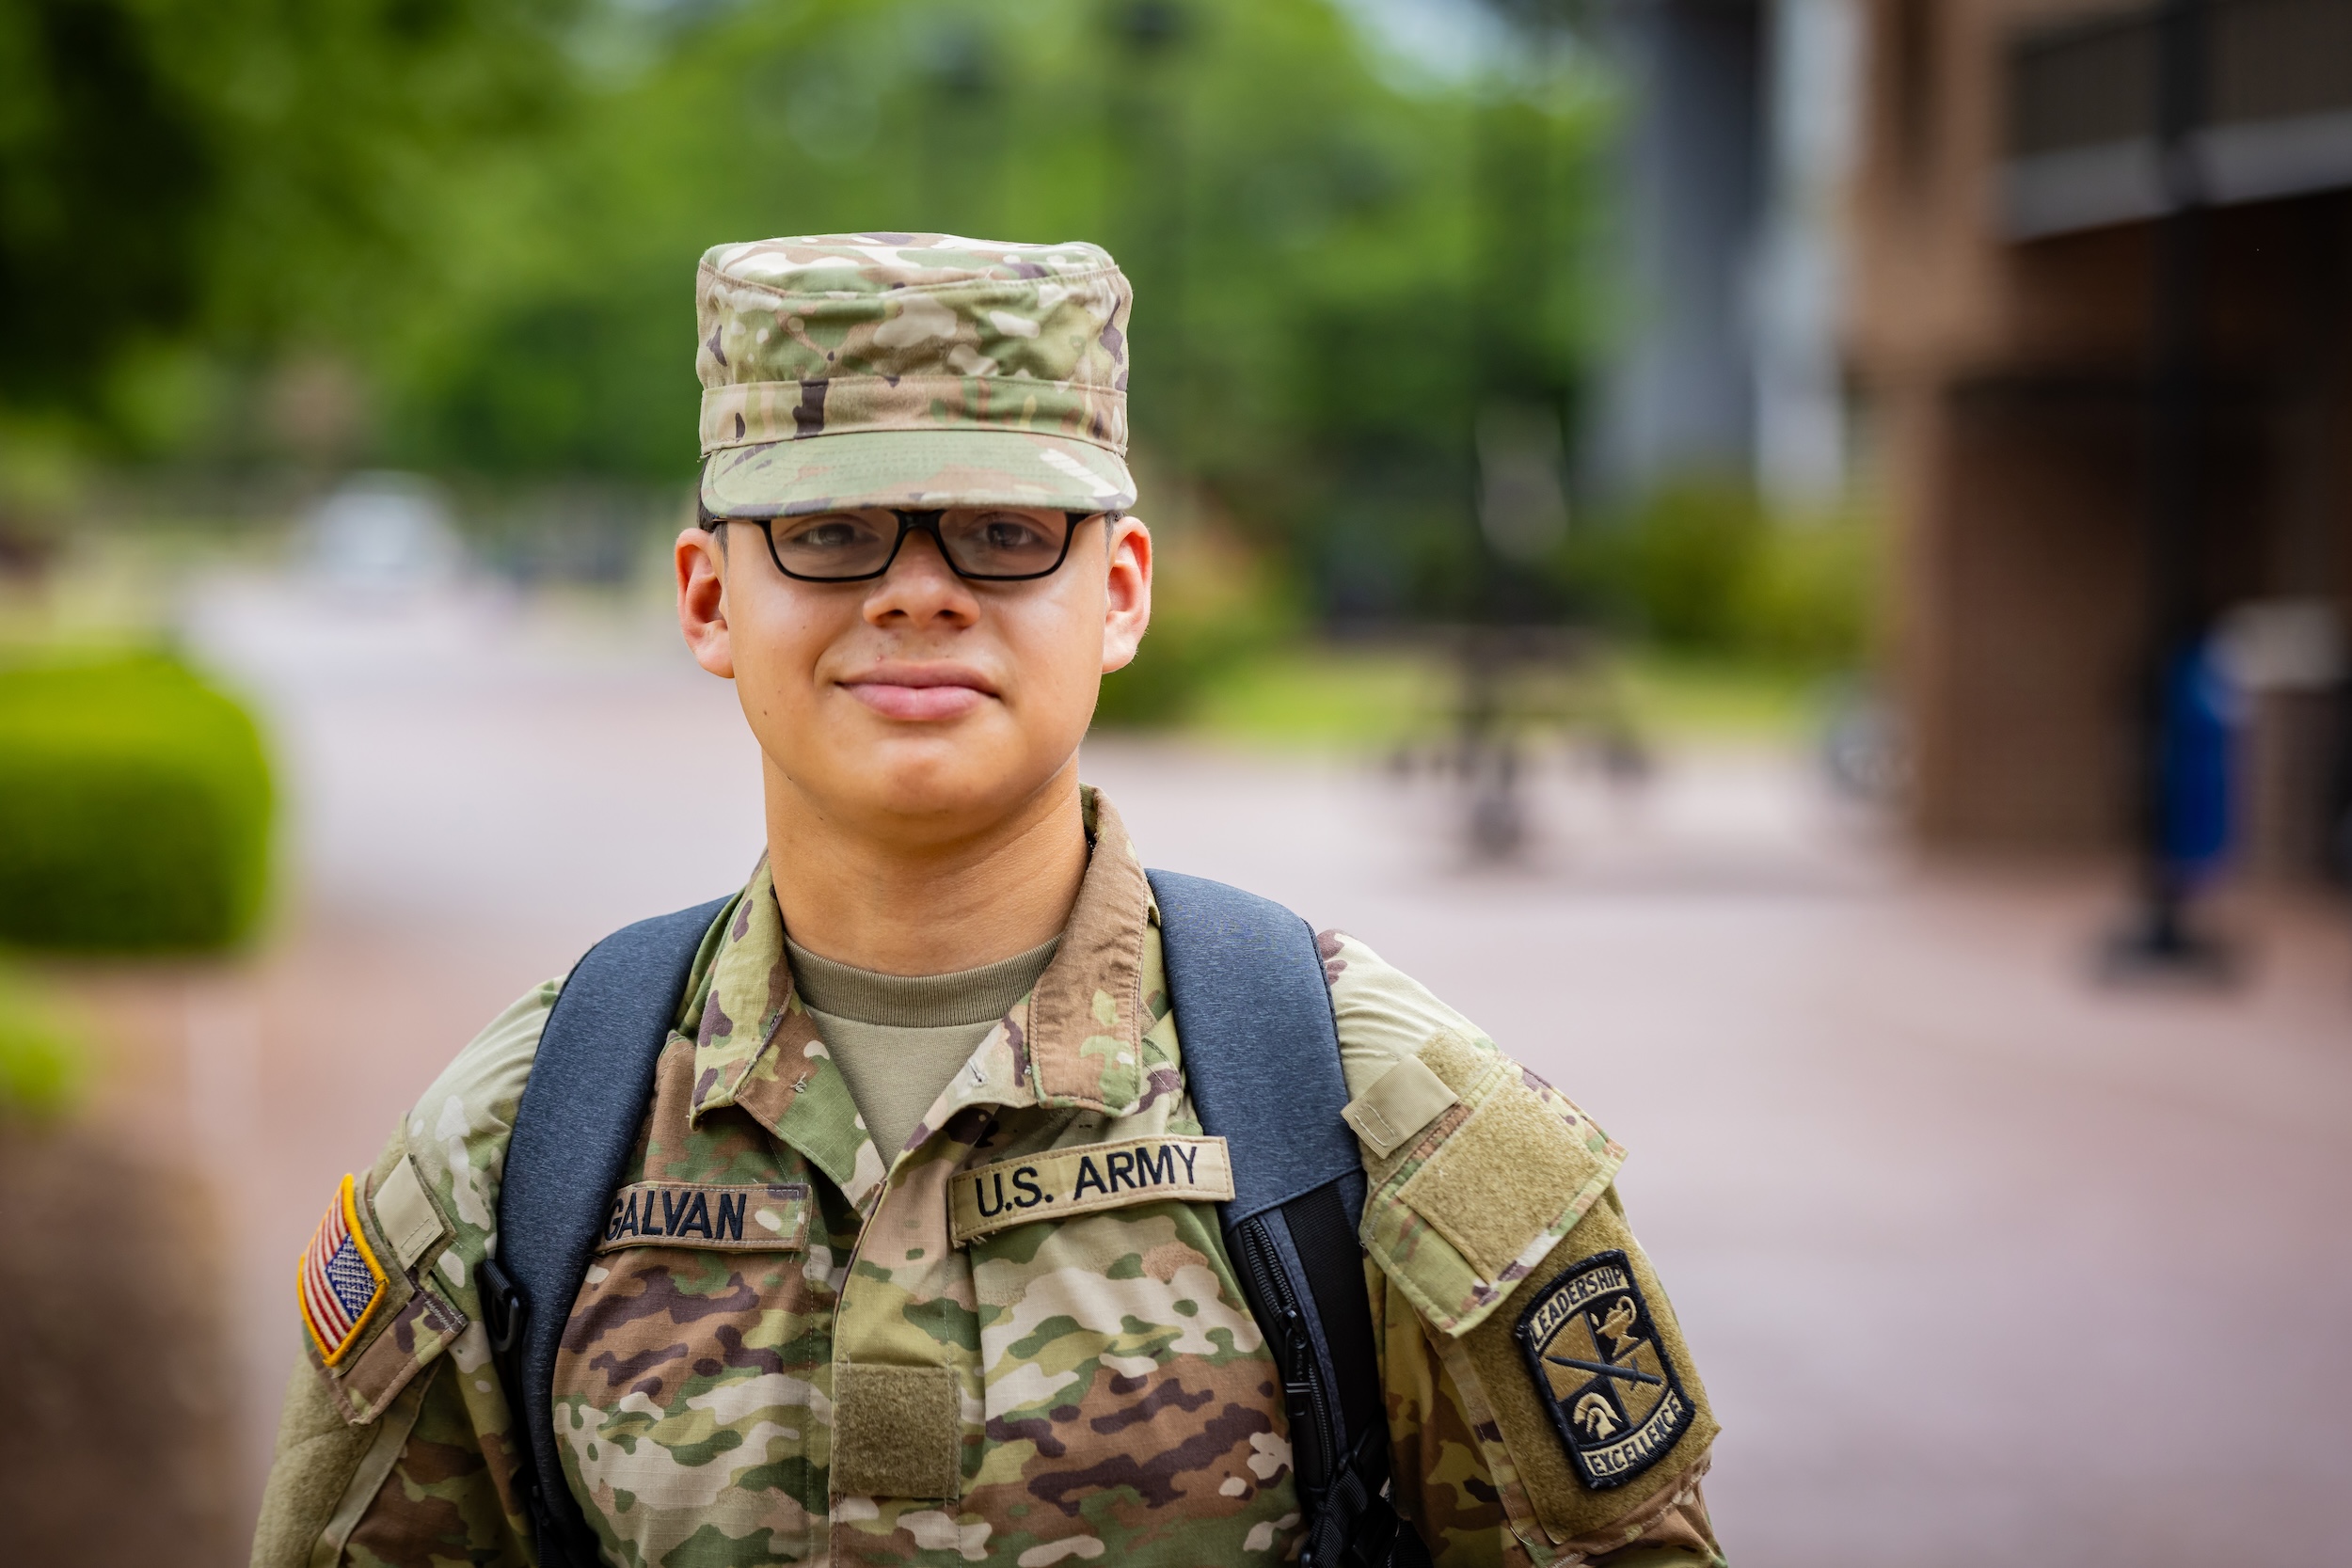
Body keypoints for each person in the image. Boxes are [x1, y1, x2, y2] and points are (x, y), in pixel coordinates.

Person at [251, 233, 1725, 1568]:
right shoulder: (524, 1140)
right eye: (830, 532)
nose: (917, 593)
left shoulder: (1369, 1112)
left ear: (1123, 591)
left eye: (1007, 533)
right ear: (708, 599)